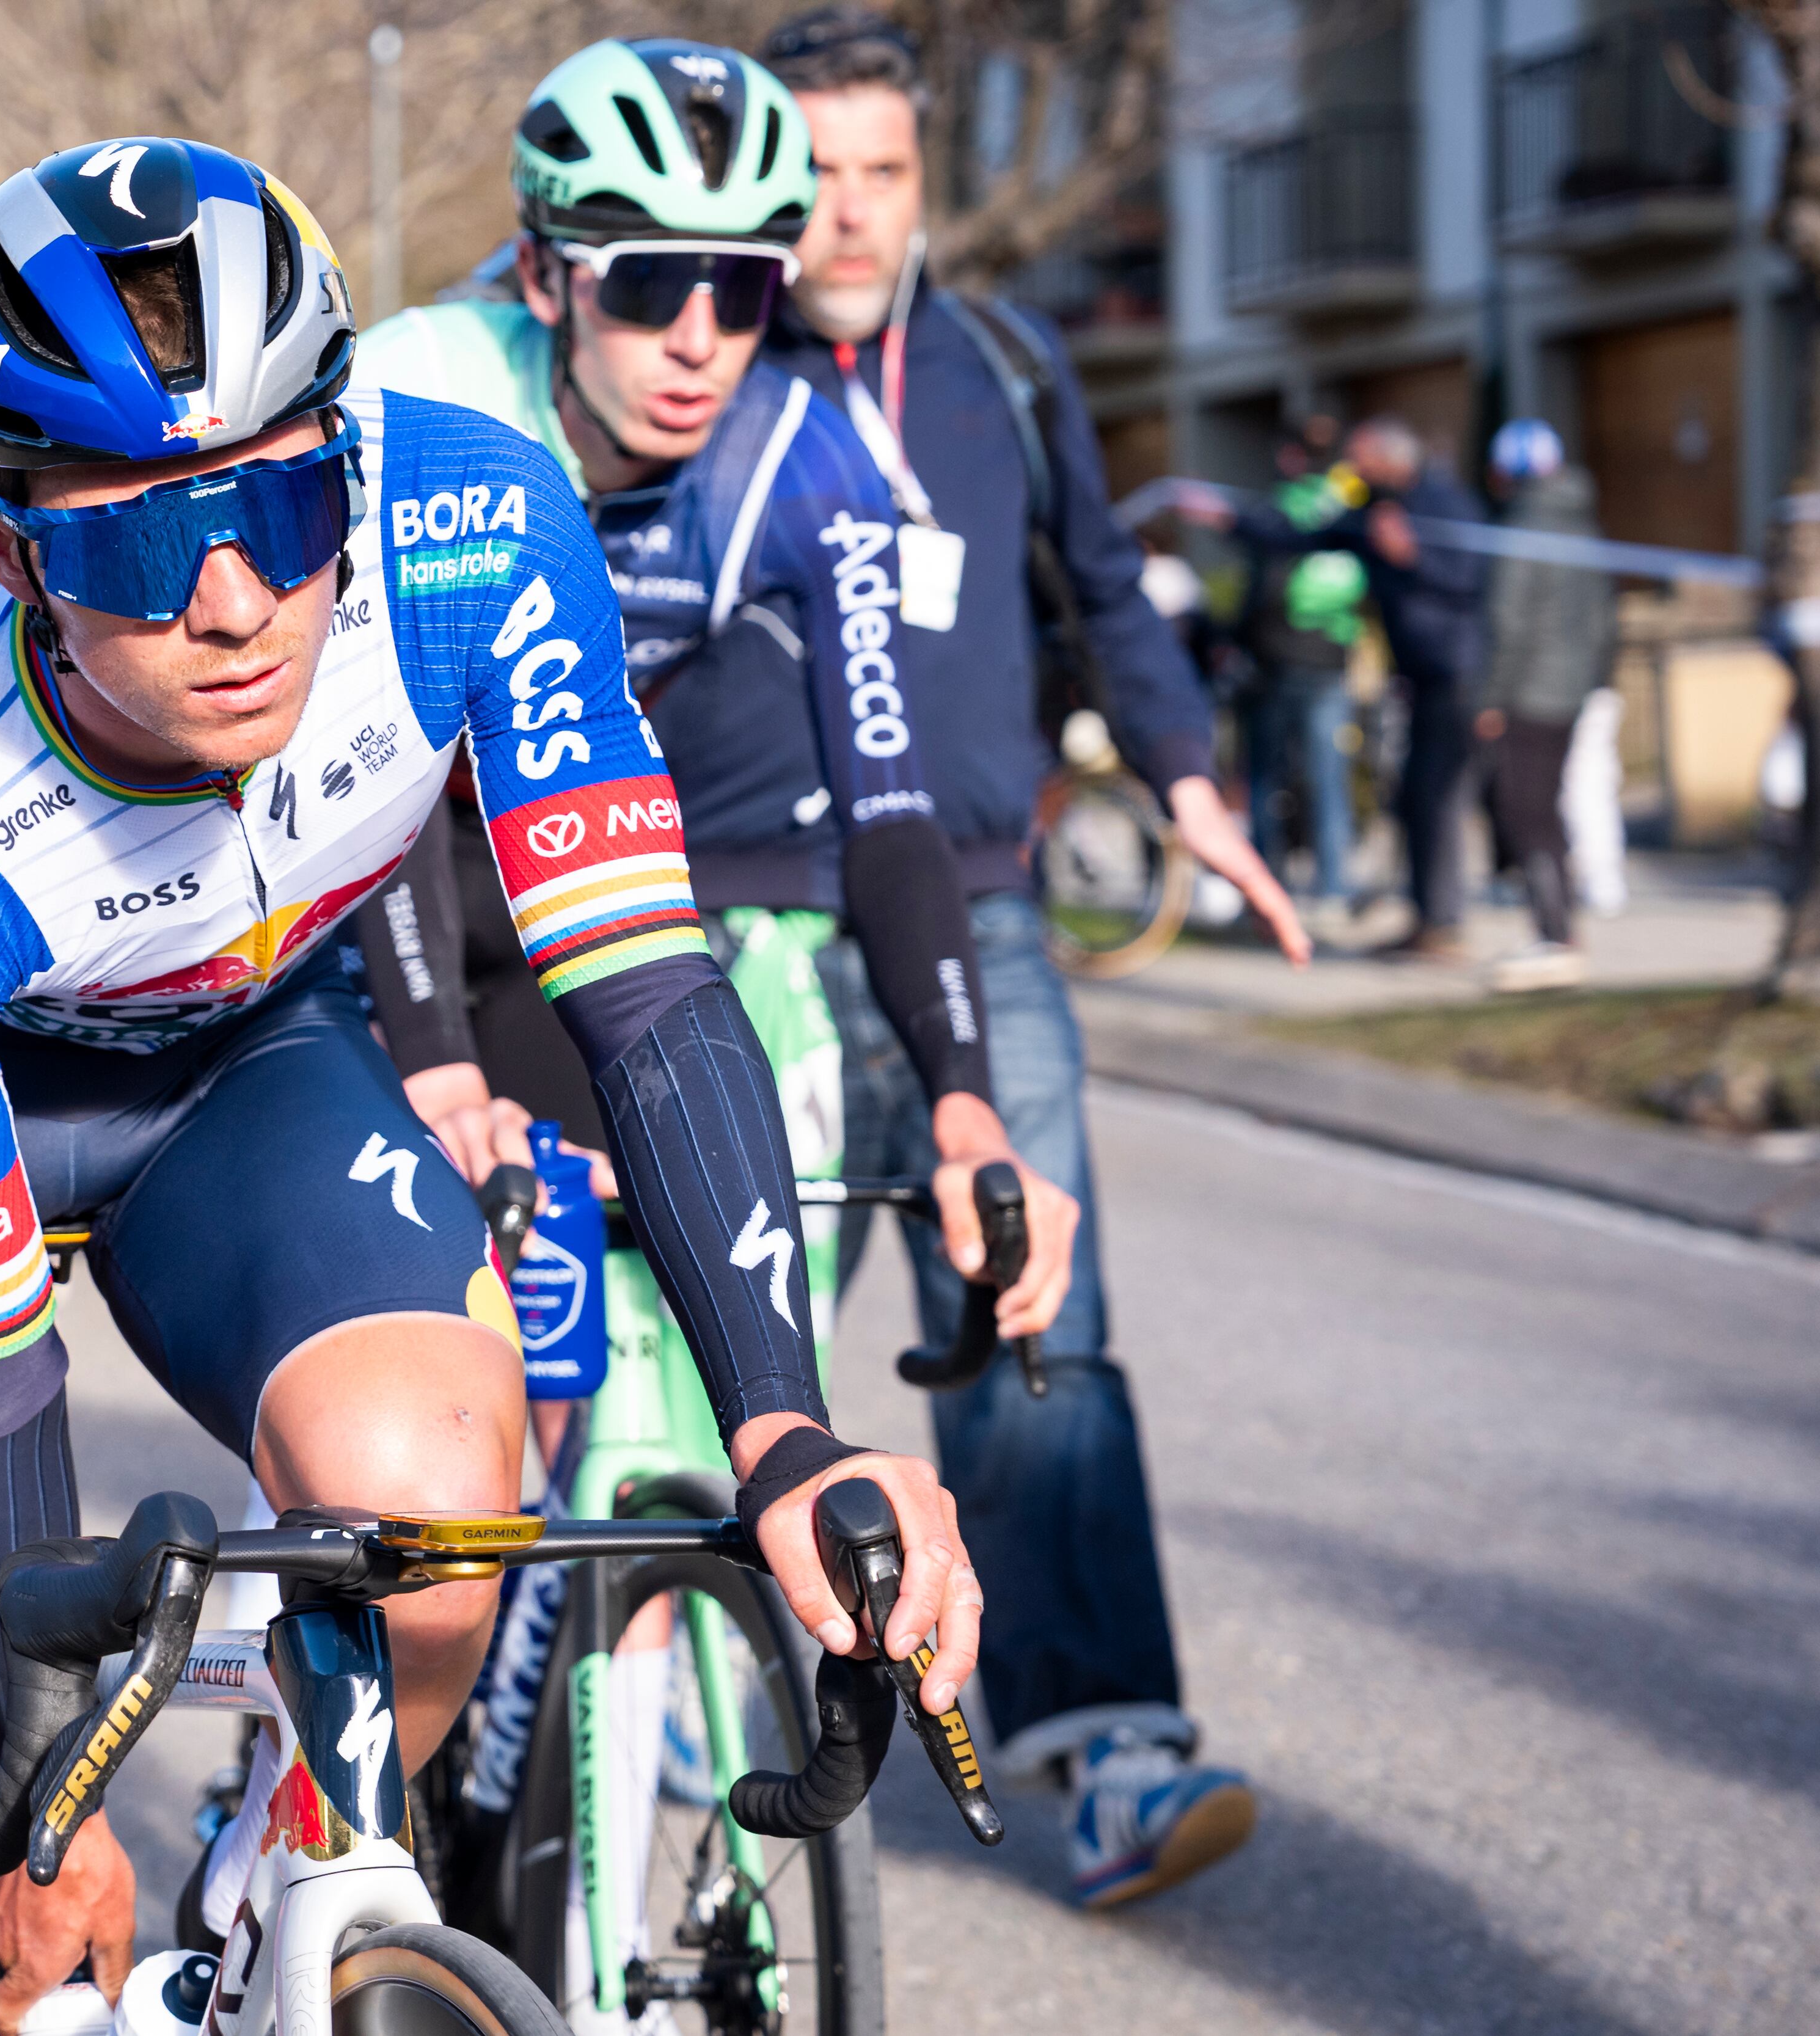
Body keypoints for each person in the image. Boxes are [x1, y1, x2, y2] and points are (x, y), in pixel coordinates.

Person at [0, 138, 984, 2032]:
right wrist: (44, 1781)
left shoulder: (472, 523)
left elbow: (642, 985)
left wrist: (784, 1434)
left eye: (287, 512)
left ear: (354, 464)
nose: (232, 601)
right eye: (139, 541)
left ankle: (288, 1902)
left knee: (435, 1521)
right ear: (4, 546)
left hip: (237, 1060)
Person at [764, 8, 1303, 1907]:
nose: (844, 214)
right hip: (744, 920)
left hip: (979, 907)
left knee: (1029, 1311)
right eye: (811, 175)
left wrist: (1186, 781)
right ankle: (665, 1686)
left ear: (924, 182)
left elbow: (1096, 588)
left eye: (881, 175)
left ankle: (1104, 1755)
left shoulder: (996, 358)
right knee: (719, 1331)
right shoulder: (699, 370)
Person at [348, 37, 1078, 1370]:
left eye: (741, 289)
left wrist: (965, 1106)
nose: (697, 339)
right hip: (362, 858)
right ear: (541, 278)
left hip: (543, 860)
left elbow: (888, 807)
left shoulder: (803, 462)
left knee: (615, 1324)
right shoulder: (421, 396)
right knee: (420, 1362)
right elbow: (357, 766)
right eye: (646, 285)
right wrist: (436, 1059)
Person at [1223, 414, 1491, 958]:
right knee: (1415, 799)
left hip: (1456, 674)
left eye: (1361, 458)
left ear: (1393, 459)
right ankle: (1431, 919)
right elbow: (1305, 536)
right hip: (1417, 676)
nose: (1352, 469)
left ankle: (1443, 923)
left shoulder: (1441, 500)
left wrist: (1414, 555)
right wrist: (1232, 521)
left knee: (1435, 800)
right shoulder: (1371, 509)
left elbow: (1473, 575)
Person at [1477, 417, 1612, 993]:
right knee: (1548, 807)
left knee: (1527, 810)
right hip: (1573, 688)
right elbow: (1606, 617)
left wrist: (1491, 697)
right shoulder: (1583, 522)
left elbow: (1507, 621)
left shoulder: (1523, 526)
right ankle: (1563, 928)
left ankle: (1555, 934)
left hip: (1530, 691)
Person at [1230, 423, 1365, 916]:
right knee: (1330, 780)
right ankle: (1334, 889)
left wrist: (1236, 641)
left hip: (1279, 663)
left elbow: (1262, 587)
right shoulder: (1344, 506)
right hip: (1331, 659)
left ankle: (1267, 891)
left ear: (1289, 456)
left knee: (1267, 780)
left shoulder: (1280, 509)